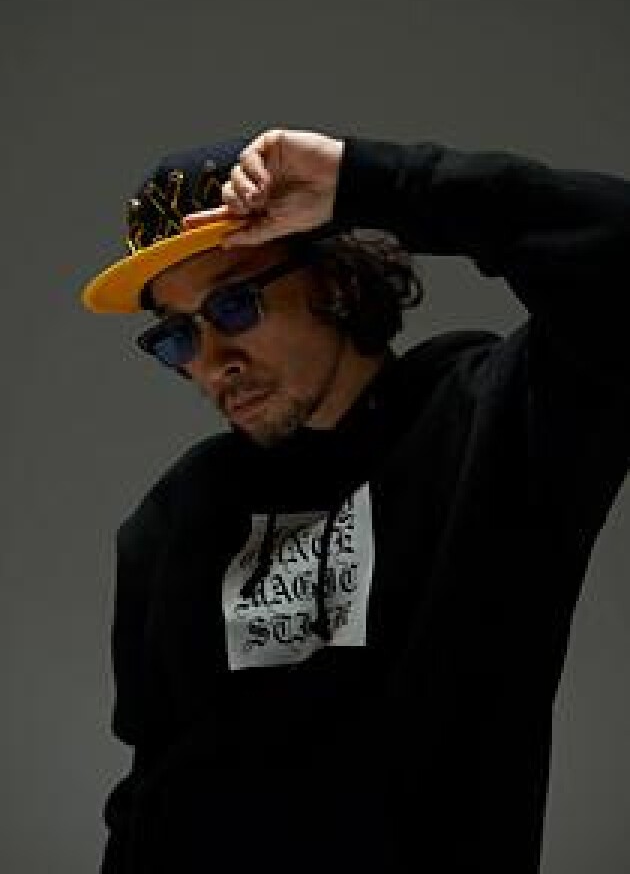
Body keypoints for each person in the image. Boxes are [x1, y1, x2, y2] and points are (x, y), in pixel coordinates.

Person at [81, 127, 630, 873]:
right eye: (177, 337)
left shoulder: (494, 430)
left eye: (234, 306)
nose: (212, 364)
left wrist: (375, 183)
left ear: (333, 283)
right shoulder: (175, 515)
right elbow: (149, 792)